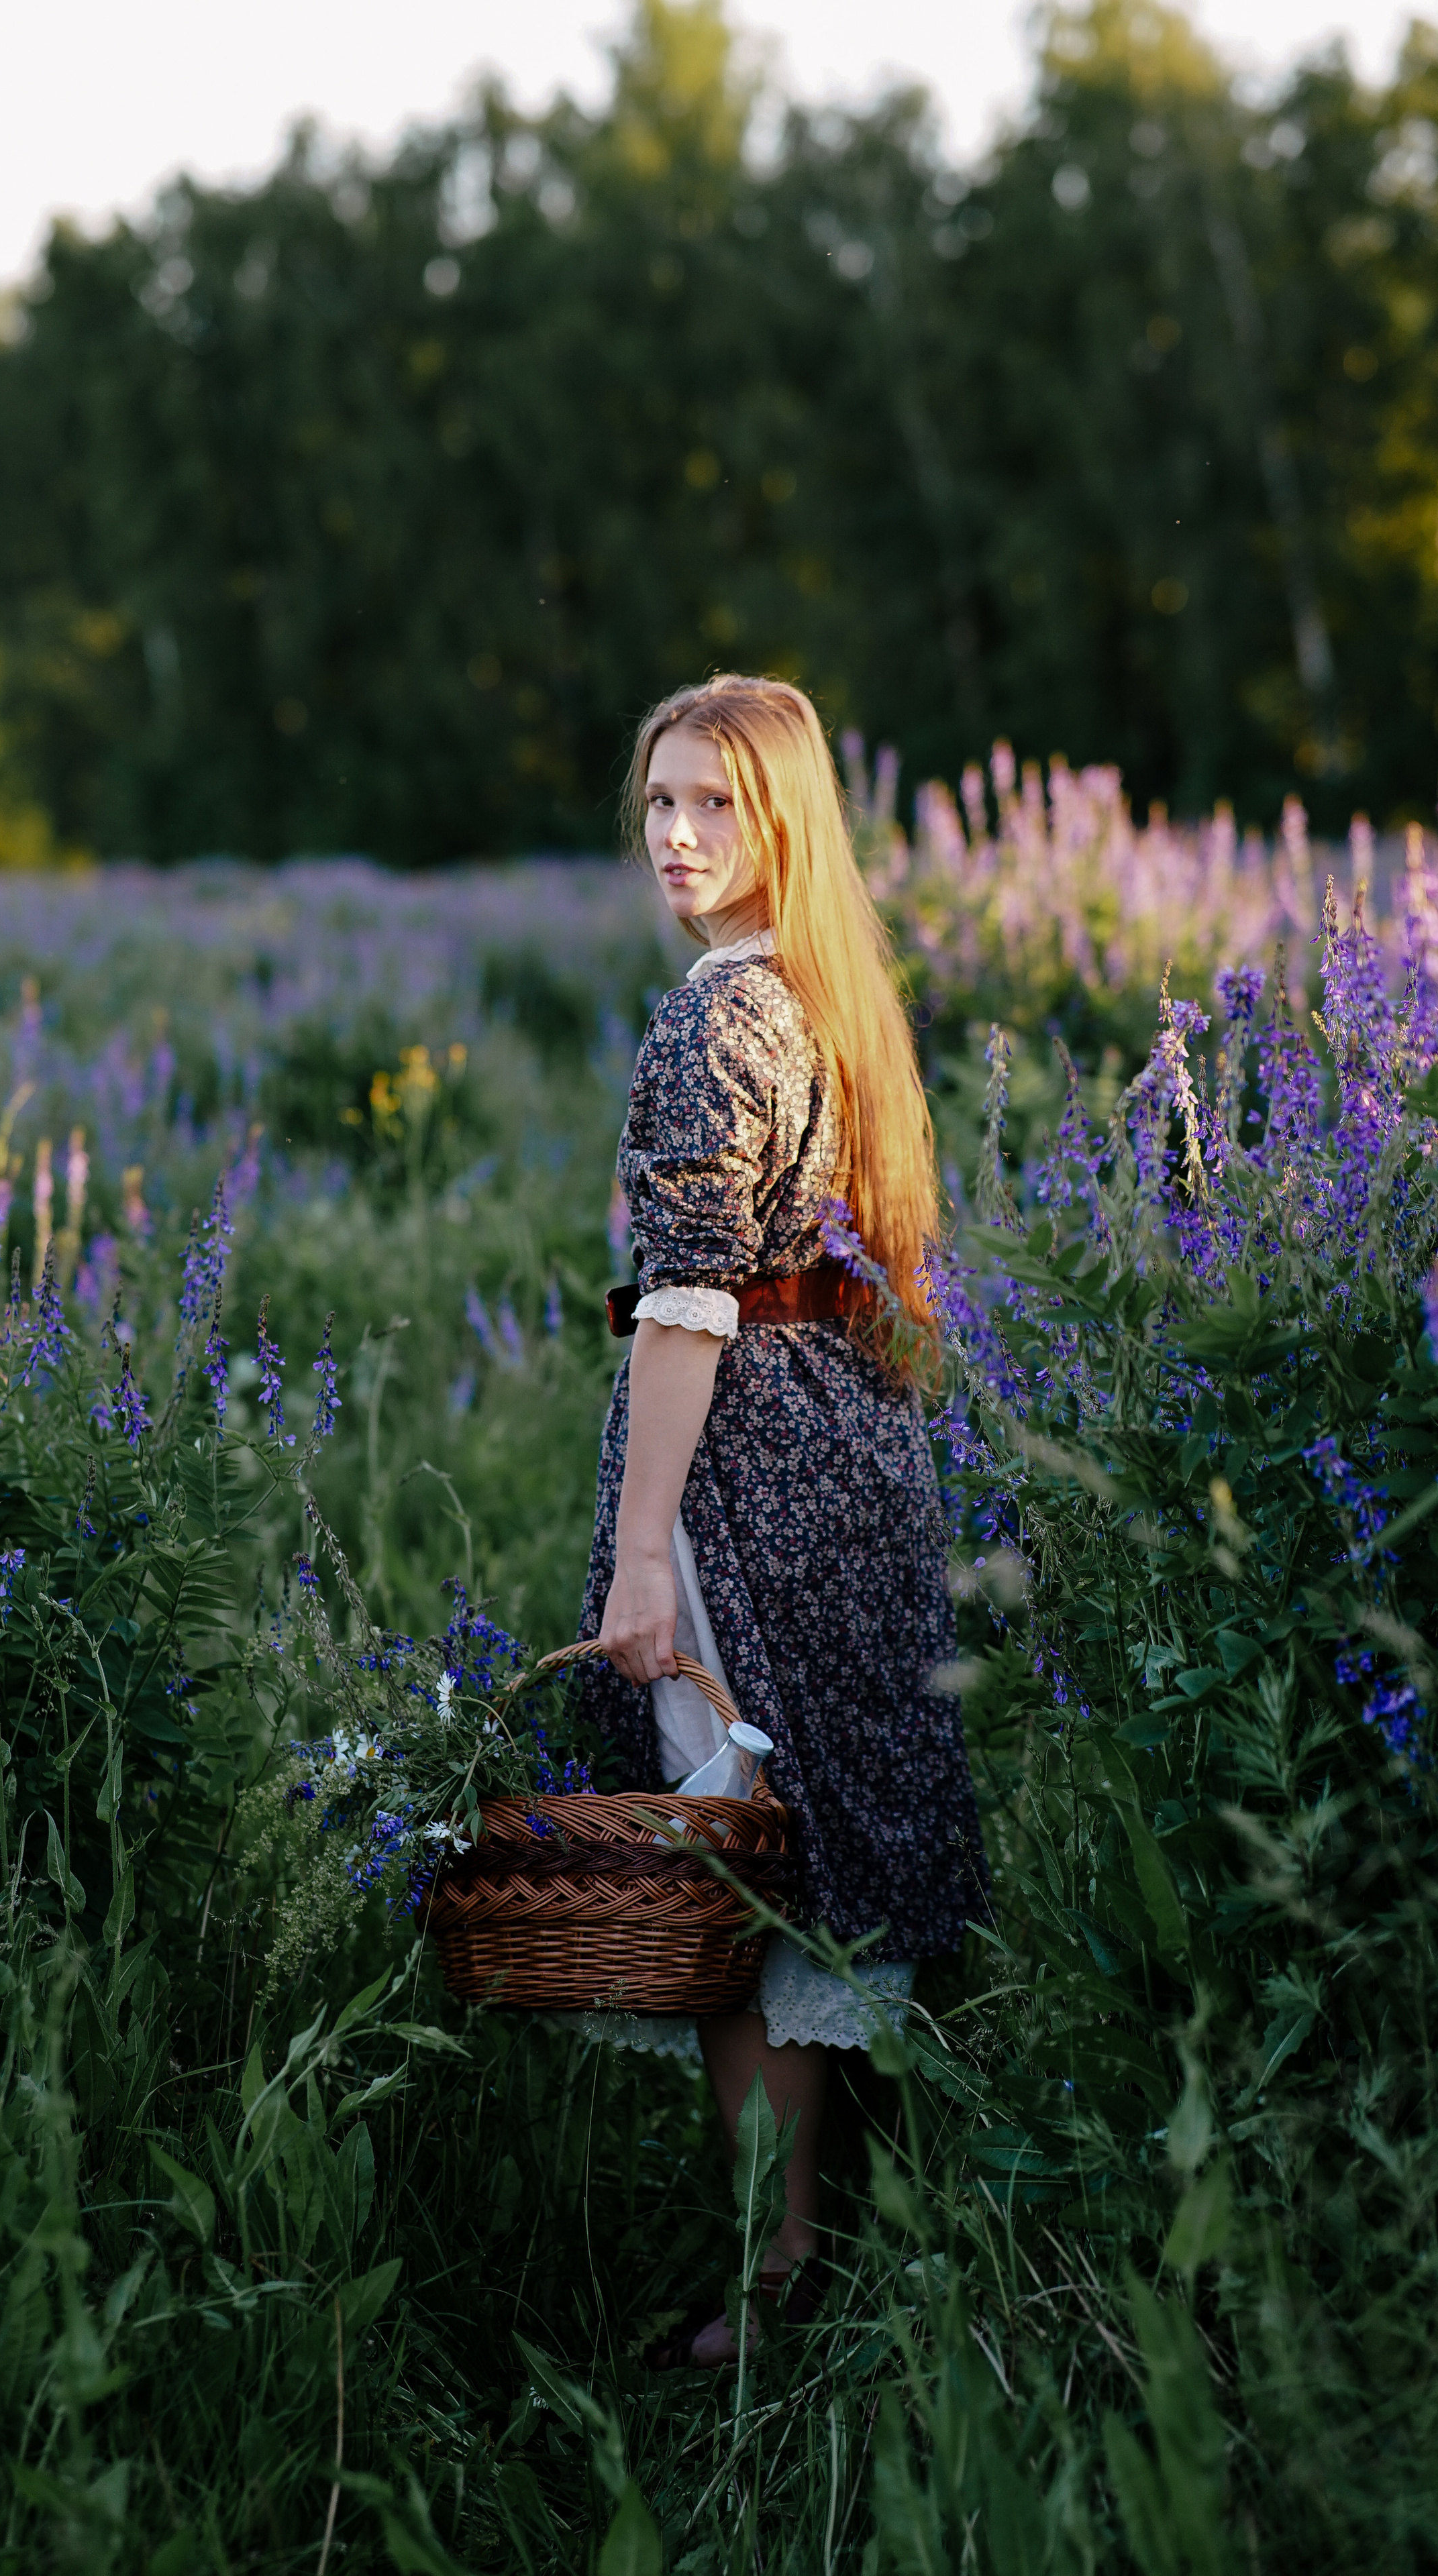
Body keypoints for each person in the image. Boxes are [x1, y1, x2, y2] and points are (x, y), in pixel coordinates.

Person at [577, 674, 988, 2369]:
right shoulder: (829, 1002)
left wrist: (637, 1553)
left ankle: (765, 2300)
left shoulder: (709, 1021)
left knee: (735, 1895)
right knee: (802, 1869)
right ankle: (820, 2260)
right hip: (851, 1461)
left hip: (743, 1486)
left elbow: (686, 1310)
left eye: (716, 805)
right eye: (660, 800)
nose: (676, 836)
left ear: (782, 821)